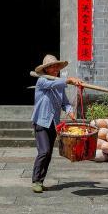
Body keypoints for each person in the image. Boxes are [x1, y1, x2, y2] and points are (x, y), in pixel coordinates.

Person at [30, 54, 83, 194]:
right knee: (44, 151)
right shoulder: (41, 81)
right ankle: (36, 180)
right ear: (46, 69)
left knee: (48, 154)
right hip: (41, 122)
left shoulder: (59, 85)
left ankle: (40, 181)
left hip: (54, 123)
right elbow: (52, 84)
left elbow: (65, 102)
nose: (55, 69)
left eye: (56, 67)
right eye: (52, 67)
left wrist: (70, 111)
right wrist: (69, 80)